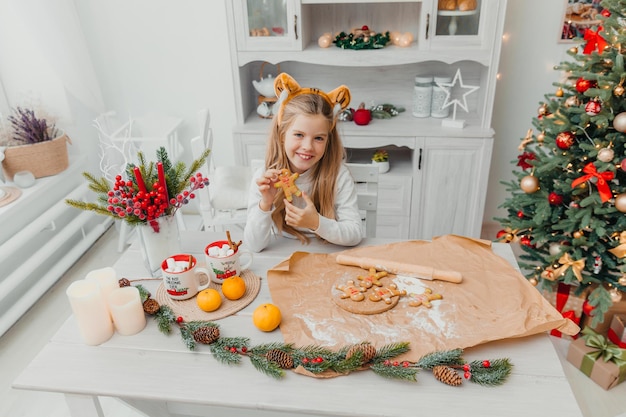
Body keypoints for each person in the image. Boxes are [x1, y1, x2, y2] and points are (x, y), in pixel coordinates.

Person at [243, 73, 363, 252]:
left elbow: (354, 233)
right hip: (281, 254)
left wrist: (315, 222)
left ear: (328, 140)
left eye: (319, 138)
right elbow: (253, 245)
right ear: (282, 134)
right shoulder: (265, 178)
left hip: (326, 252)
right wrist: (266, 202)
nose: (308, 147)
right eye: (299, 135)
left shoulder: (338, 176)